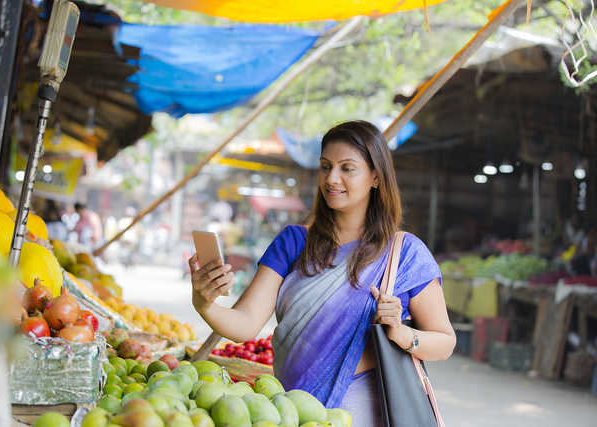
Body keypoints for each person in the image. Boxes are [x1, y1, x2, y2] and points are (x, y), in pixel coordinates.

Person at [189, 121, 455, 425]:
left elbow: (445, 342)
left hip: (360, 415)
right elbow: (245, 324)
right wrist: (204, 303)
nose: (332, 178)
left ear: (376, 177)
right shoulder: (293, 242)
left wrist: (401, 332)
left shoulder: (405, 254)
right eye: (325, 166)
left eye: (347, 168)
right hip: (290, 411)